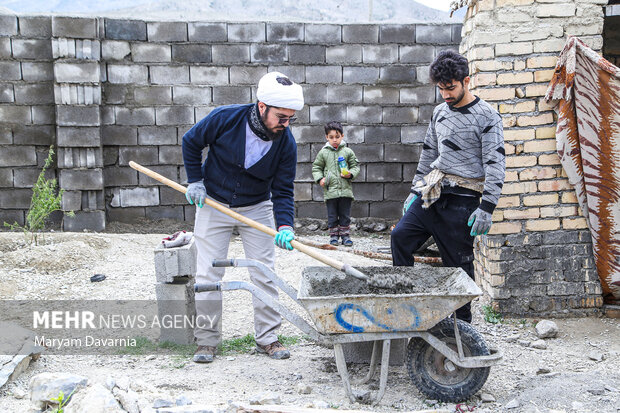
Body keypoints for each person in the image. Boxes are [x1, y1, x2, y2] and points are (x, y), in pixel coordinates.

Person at [182, 71, 303, 363]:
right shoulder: (225, 118)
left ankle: (268, 339)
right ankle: (207, 342)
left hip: (257, 207)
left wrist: (285, 225)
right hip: (213, 203)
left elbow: (283, 190)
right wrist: (195, 180)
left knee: (263, 272)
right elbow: (191, 141)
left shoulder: (286, 144)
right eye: (281, 117)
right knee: (208, 273)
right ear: (262, 106)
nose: (286, 124)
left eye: (291, 118)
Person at [391, 50, 505, 323]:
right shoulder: (439, 113)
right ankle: (409, 305)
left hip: (462, 202)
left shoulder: (488, 117)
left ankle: (463, 329)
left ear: (467, 80)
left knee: (459, 266)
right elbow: (429, 155)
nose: (445, 94)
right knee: (400, 237)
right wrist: (414, 191)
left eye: (451, 88)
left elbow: (495, 164)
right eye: (441, 89)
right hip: (432, 194)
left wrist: (487, 207)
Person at [312, 121, 360, 246]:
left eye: (337, 137)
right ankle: (333, 236)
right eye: (331, 137)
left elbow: (355, 166)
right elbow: (316, 167)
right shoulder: (323, 153)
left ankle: (345, 236)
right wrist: (320, 179)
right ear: (326, 137)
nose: (334, 140)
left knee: (345, 215)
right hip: (330, 191)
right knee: (332, 216)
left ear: (342, 136)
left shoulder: (348, 152)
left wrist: (350, 174)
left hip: (345, 191)